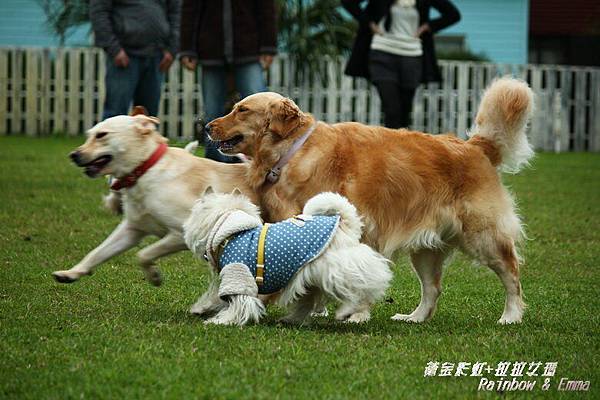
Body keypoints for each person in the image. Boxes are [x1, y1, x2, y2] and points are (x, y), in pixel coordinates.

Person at [179, 1, 278, 163]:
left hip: (248, 48)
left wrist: (268, 45)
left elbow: (266, 7)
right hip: (211, 49)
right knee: (212, 111)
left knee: (260, 108)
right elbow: (190, 8)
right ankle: (215, 165)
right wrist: (187, 48)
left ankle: (266, 162)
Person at [342, 0, 460, 129]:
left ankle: (400, 146)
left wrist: (428, 26)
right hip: (382, 53)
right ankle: (391, 148)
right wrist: (369, 24)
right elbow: (348, 2)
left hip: (412, 56)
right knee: (392, 110)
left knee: (404, 113)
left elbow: (453, 15)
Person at [90, 0, 181, 120]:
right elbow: (99, 12)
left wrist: (172, 48)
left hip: (156, 55)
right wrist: (114, 49)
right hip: (124, 55)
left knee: (148, 120)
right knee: (115, 118)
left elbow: (177, 13)